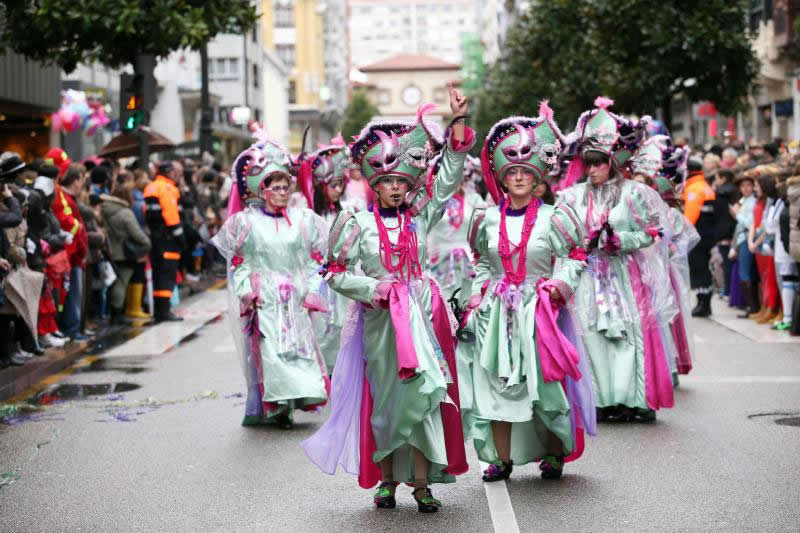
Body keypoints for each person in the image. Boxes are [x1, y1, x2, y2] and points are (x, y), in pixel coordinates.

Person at [303, 86, 471, 513]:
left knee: (426, 397)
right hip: (379, 323)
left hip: (424, 315)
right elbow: (336, 272)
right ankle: (387, 481)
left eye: (402, 181)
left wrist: (458, 124)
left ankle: (422, 482)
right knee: (386, 400)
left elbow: (449, 177)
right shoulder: (354, 222)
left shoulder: (421, 215)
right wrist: (373, 289)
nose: (396, 188)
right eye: (387, 181)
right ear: (374, 184)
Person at [457, 104, 595, 483]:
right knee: (495, 385)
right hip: (496, 313)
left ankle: (553, 453)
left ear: (537, 178)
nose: (518, 177)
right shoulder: (484, 218)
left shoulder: (555, 216)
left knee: (544, 387)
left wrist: (557, 287)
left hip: (541, 312)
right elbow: (482, 264)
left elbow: (575, 257)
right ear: (502, 177)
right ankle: (500, 459)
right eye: (511, 171)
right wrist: (476, 298)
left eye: (525, 172)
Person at [558, 97, 673, 422]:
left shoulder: (633, 193)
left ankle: (630, 400)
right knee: (591, 337)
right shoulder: (571, 196)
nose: (593, 169)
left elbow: (653, 231)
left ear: (612, 162)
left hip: (623, 276)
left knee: (625, 337)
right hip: (587, 277)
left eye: (599, 163)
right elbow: (560, 235)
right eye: (588, 163)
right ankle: (601, 401)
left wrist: (621, 240)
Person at [212, 129, 330, 430]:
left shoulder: (304, 220)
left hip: (295, 298)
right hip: (264, 297)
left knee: (297, 351)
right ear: (262, 190)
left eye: (285, 186)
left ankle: (296, 398)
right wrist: (246, 292)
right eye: (275, 187)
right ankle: (277, 407)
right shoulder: (246, 222)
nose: (282, 192)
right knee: (270, 353)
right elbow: (238, 263)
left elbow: (317, 258)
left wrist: (312, 289)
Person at [297, 134, 361, 373]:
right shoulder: (306, 214)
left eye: (340, 185)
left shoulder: (350, 208)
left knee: (347, 325)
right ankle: (323, 371)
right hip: (317, 280)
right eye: (332, 185)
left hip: (345, 278)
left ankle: (345, 370)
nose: (338, 190)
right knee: (322, 328)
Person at [425, 153, 485, 307]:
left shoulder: (474, 199)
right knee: (442, 307)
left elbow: (483, 227)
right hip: (437, 260)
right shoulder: (432, 202)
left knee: (466, 305)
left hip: (468, 261)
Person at [100, 171, 151, 325]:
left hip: (109, 251)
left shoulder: (103, 209)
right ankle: (117, 314)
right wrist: (147, 243)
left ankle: (110, 312)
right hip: (124, 253)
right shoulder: (125, 212)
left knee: (112, 283)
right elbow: (136, 234)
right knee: (121, 283)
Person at [51, 161, 89, 341]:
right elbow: (70, 224)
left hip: (74, 255)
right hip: (71, 255)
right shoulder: (61, 196)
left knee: (73, 295)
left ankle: (75, 328)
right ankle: (72, 329)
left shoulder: (64, 196)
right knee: (71, 295)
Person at [143, 161, 184, 322]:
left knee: (158, 273)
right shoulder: (168, 188)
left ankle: (159, 311)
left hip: (155, 237)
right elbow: (171, 215)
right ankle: (165, 311)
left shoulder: (151, 187)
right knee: (167, 273)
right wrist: (180, 237)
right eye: (174, 171)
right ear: (168, 172)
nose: (176, 174)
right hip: (167, 238)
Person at [683, 158, 717, 317]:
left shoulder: (694, 189)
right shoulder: (703, 186)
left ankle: (703, 303)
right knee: (703, 269)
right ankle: (704, 303)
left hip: (699, 235)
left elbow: (690, 216)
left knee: (699, 268)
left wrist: (682, 231)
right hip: (707, 233)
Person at [748, 173, 781, 324]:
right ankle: (765, 306)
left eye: (756, 185)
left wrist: (756, 242)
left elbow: (766, 227)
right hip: (758, 243)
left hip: (765, 243)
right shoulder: (759, 202)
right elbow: (754, 224)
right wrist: (751, 241)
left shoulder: (770, 203)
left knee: (771, 278)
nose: (755, 188)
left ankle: (773, 308)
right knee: (764, 277)